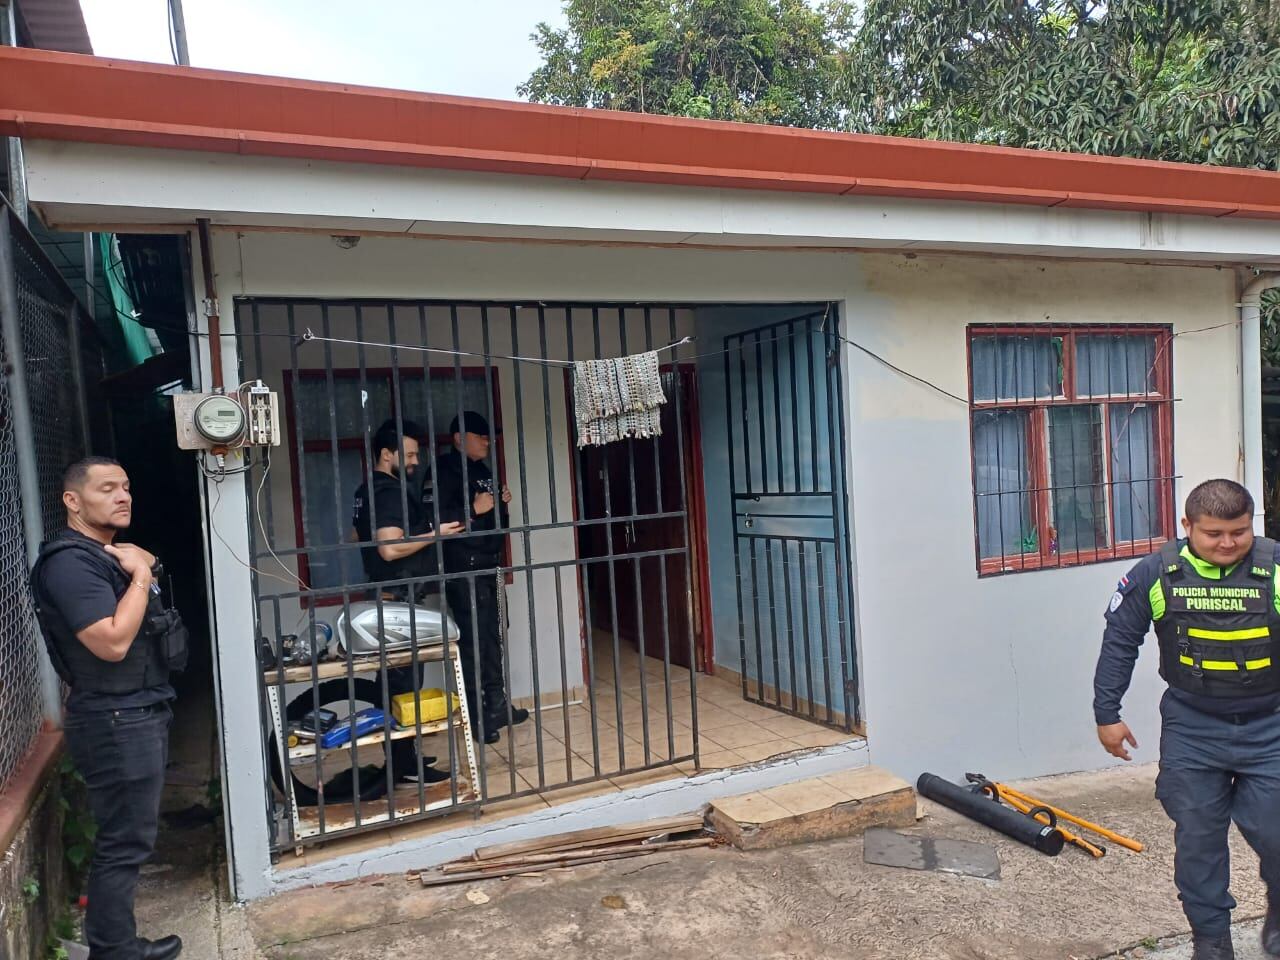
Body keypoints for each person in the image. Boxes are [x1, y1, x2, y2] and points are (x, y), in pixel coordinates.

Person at [1094, 479, 1280, 960]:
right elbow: (1120, 642)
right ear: (1187, 527)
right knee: (1198, 839)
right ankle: (1212, 939)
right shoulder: (1157, 573)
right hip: (1193, 726)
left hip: (1271, 724)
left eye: (1238, 533)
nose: (1228, 543)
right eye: (1214, 533)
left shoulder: (1275, 568)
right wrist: (1106, 714)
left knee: (1275, 831)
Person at [29, 457, 185, 960]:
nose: (123, 496)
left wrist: (141, 564)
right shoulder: (69, 564)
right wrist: (141, 574)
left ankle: (116, 944)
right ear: (73, 501)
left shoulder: (102, 554)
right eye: (106, 488)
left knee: (130, 837)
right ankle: (115, 950)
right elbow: (112, 643)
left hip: (136, 708)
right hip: (116, 717)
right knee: (124, 842)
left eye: (126, 486)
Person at [351, 419, 462, 785]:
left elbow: (355, 536)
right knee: (401, 684)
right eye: (410, 454)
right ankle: (404, 766)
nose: (416, 460)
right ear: (387, 454)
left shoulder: (366, 490)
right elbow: (389, 548)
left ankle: (405, 756)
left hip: (388, 595)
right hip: (396, 598)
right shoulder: (387, 491)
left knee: (397, 682)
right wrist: (435, 534)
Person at [435, 411, 528, 745]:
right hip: (466, 566)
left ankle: (496, 706)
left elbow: (490, 513)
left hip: (490, 564)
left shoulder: (481, 470)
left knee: (492, 638)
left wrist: (501, 503)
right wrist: (475, 509)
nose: (488, 441)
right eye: (480, 435)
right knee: (473, 643)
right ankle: (475, 718)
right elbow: (437, 521)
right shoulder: (444, 471)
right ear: (460, 439)